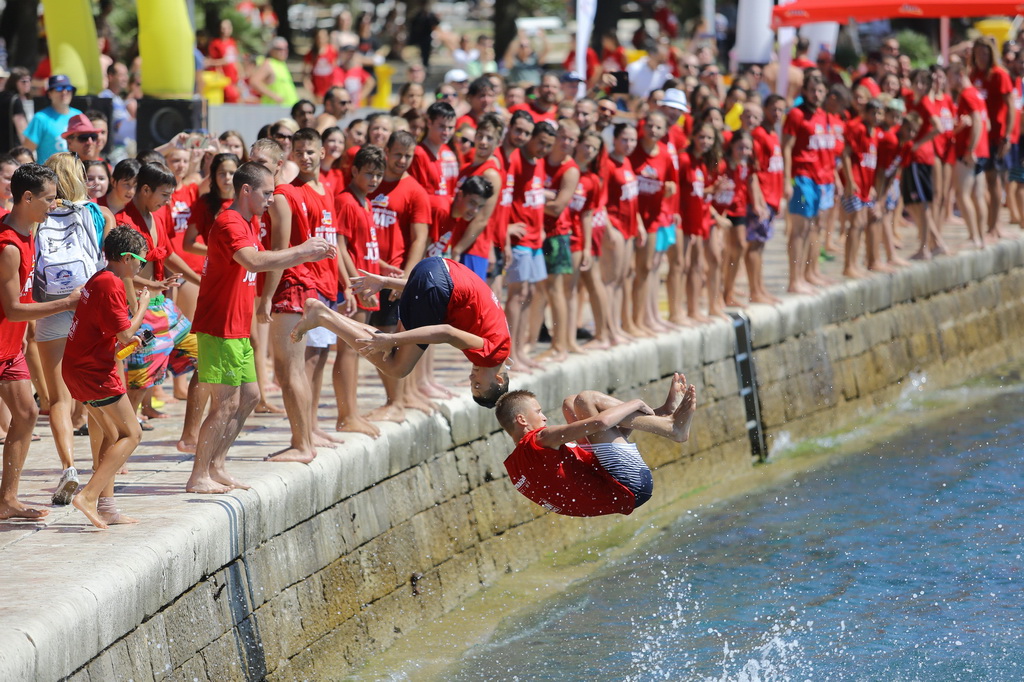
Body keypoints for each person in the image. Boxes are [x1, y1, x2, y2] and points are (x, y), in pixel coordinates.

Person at [187, 162, 336, 493]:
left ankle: (218, 464)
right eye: (267, 193)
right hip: (219, 327)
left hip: (238, 327)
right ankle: (198, 475)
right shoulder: (228, 222)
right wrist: (302, 252)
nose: (272, 198)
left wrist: (302, 254)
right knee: (224, 403)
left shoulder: (249, 221)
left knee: (251, 396)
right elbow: (254, 261)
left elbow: (262, 260)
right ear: (246, 191)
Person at [293, 254, 511, 408]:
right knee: (398, 368)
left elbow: (443, 285)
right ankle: (323, 316)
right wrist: (392, 339)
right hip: (439, 286)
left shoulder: (500, 345)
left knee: (394, 355)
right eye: (478, 383)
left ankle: (324, 316)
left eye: (472, 384)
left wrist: (387, 282)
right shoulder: (493, 354)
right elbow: (446, 332)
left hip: (434, 266)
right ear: (499, 379)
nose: (472, 376)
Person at [0, 164, 82, 520]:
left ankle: (7, 500)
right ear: (27, 197)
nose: (54, 205)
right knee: (27, 412)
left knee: (28, 412)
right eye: (49, 199)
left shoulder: (29, 230)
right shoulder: (9, 248)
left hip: (9, 347)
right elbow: (15, 309)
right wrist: (68, 302)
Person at [494, 372, 697, 517]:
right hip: (628, 486)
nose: (545, 417)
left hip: (619, 489)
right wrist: (636, 403)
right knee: (585, 400)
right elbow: (601, 423)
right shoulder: (542, 438)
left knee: (570, 403)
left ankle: (663, 415)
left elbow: (607, 439)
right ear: (522, 420)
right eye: (538, 412)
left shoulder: (518, 465)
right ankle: (672, 428)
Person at [35, 152, 115, 505]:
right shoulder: (99, 213)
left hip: (51, 306)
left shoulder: (40, 213)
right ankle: (101, 476)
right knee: (94, 393)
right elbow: (110, 266)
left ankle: (68, 467)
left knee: (58, 399)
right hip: (88, 305)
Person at [259, 128, 341, 461]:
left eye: (310, 152)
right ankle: (305, 436)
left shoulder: (283, 194)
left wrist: (266, 297)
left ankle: (301, 443)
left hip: (292, 285)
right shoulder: (314, 190)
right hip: (307, 285)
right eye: (300, 152)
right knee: (298, 369)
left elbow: (282, 250)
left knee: (290, 369)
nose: (305, 157)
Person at [63, 226, 149, 528]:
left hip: (78, 367)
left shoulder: (100, 279)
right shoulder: (110, 284)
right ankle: (88, 496)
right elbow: (126, 334)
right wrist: (145, 306)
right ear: (126, 258)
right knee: (132, 434)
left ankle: (108, 507)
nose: (141, 267)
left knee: (111, 435)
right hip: (93, 372)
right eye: (140, 261)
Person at [505, 121, 555, 371]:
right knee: (517, 295)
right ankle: (510, 353)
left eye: (548, 145)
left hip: (536, 238)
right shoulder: (515, 160)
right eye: (540, 143)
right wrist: (506, 228)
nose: (543, 149)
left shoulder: (539, 161)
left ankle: (521, 349)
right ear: (530, 138)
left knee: (530, 294)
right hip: (520, 239)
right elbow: (504, 197)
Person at [23, 75, 82, 164]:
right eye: (58, 88)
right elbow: (26, 153)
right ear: (49, 94)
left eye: (68, 88)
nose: (64, 92)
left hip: (74, 174)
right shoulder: (40, 118)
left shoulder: (79, 115)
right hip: (49, 175)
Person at [250, 37, 299, 107]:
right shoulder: (268, 63)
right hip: (275, 108)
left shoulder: (281, 64)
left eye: (286, 49)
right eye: (280, 49)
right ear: (271, 50)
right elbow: (254, 81)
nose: (284, 51)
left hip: (288, 107)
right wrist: (273, 95)